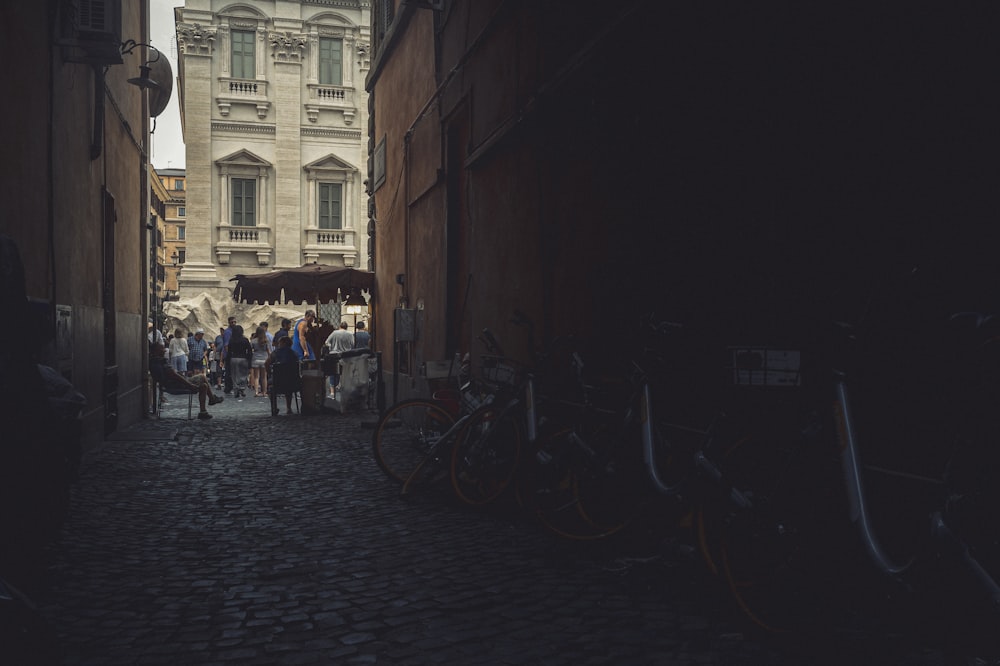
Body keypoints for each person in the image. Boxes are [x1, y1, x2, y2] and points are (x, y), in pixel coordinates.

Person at [149, 341, 224, 419]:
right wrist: (190, 385)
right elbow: (174, 375)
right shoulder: (160, 363)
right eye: (162, 348)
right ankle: (210, 401)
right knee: (202, 378)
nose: (164, 350)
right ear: (156, 351)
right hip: (176, 385)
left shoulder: (157, 362)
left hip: (174, 383)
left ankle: (204, 410)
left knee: (203, 383)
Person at [266, 336, 300, 416]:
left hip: (278, 381)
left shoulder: (275, 353)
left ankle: (274, 407)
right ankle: (289, 407)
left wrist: (269, 374)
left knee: (270, 384)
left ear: (283, 343)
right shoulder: (294, 354)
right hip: (293, 381)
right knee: (289, 384)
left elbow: (267, 363)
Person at [325, 320, 355, 396]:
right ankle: (344, 390)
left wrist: (331, 347)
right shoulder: (350, 334)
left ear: (339, 327)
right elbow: (353, 344)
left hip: (334, 355)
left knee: (333, 372)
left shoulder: (334, 333)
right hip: (346, 355)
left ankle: (332, 392)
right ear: (346, 327)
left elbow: (326, 342)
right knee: (345, 373)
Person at [227, 325, 253, 399]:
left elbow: (229, 351)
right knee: (243, 375)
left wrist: (227, 361)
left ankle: (236, 389)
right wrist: (249, 359)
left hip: (234, 358)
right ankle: (242, 388)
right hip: (243, 358)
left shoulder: (231, 340)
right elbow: (249, 350)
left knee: (234, 375)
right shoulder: (245, 340)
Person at [249, 325, 272, 397]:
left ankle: (256, 392)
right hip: (264, 359)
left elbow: (250, 350)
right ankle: (264, 392)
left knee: (256, 377)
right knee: (264, 377)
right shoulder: (266, 341)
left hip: (256, 359)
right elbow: (269, 351)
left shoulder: (253, 341)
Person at [222, 316, 237, 394]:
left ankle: (231, 386)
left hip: (232, 354)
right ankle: (228, 387)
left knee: (232, 372)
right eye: (232, 322)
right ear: (229, 323)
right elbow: (226, 345)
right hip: (229, 355)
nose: (233, 323)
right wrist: (230, 354)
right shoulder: (228, 332)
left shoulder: (234, 331)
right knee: (229, 372)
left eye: (235, 322)